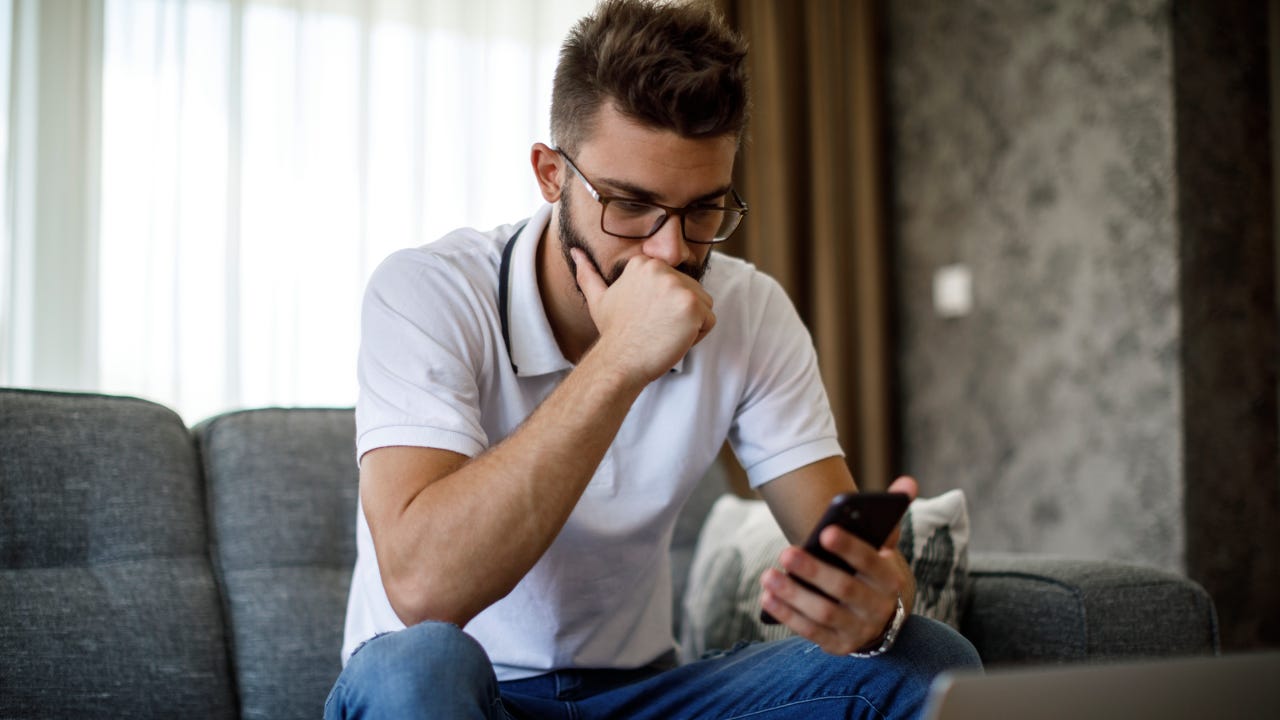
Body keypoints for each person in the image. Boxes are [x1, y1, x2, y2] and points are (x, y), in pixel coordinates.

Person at [326, 0, 981, 717]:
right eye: (630, 206)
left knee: (929, 659)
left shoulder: (752, 310)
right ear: (551, 175)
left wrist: (874, 606)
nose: (670, 252)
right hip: (455, 692)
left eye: (703, 210)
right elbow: (426, 589)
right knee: (416, 666)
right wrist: (622, 359)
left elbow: (851, 557)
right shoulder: (427, 291)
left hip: (641, 697)